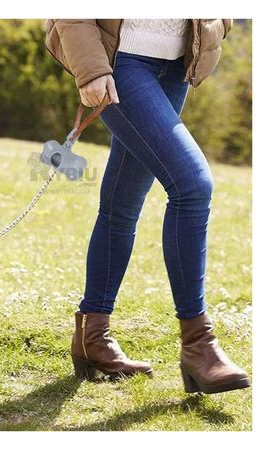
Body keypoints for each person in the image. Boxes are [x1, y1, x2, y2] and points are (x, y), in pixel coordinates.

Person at [45, 19, 250, 394]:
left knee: (121, 205)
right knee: (192, 186)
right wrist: (90, 68)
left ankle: (93, 335)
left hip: (175, 63)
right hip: (117, 60)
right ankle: (199, 345)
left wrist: (215, 28)